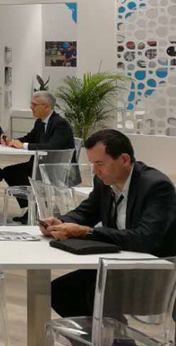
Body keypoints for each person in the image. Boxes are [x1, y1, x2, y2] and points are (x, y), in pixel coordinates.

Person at [43, 129, 176, 318]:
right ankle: (109, 334)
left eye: (99, 164)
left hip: (153, 275)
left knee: (94, 296)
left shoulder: (156, 187)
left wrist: (87, 232)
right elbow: (86, 212)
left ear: (124, 159)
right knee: (58, 292)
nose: (95, 171)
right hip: (118, 265)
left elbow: (145, 239)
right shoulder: (104, 181)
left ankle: (110, 333)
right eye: (93, 164)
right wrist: (61, 222)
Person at [0, 91, 76, 219]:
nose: (31, 107)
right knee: (9, 172)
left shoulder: (60, 124)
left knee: (17, 173)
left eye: (34, 104)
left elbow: (51, 147)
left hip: (57, 170)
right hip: (40, 166)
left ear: (46, 107)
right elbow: (29, 138)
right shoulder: (40, 122)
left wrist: (23, 145)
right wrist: (12, 141)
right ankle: (33, 208)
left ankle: (38, 208)